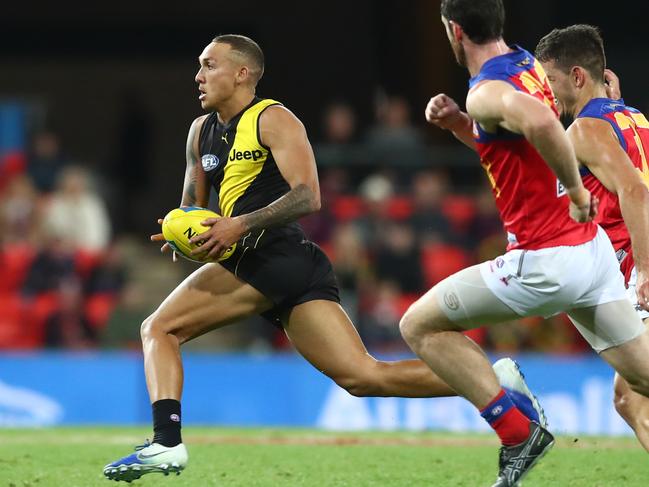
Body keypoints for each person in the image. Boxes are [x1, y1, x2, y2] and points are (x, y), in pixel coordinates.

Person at [102, 34, 544, 482]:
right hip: (280, 264)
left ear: (242, 73)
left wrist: (239, 224)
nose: (198, 76)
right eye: (199, 66)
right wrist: (182, 235)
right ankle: (495, 384)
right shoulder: (200, 132)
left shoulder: (273, 119)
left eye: (209, 65)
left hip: (271, 254)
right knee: (364, 377)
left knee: (159, 327)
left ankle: (166, 443)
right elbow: (192, 209)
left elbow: (308, 196)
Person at [399, 1, 649, 486]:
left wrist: (578, 193)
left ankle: (517, 431)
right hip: (594, 255)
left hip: (545, 262)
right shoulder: (531, 68)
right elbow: (528, 141)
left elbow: (539, 124)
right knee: (639, 383)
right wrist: (460, 129)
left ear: (454, 31)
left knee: (419, 326)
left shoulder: (488, 90)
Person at [535, 25, 649, 450]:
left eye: (551, 81)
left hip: (638, 262)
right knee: (629, 397)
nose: (546, 95)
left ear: (578, 77)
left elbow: (635, 191)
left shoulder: (584, 131)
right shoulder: (632, 116)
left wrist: (644, 269)